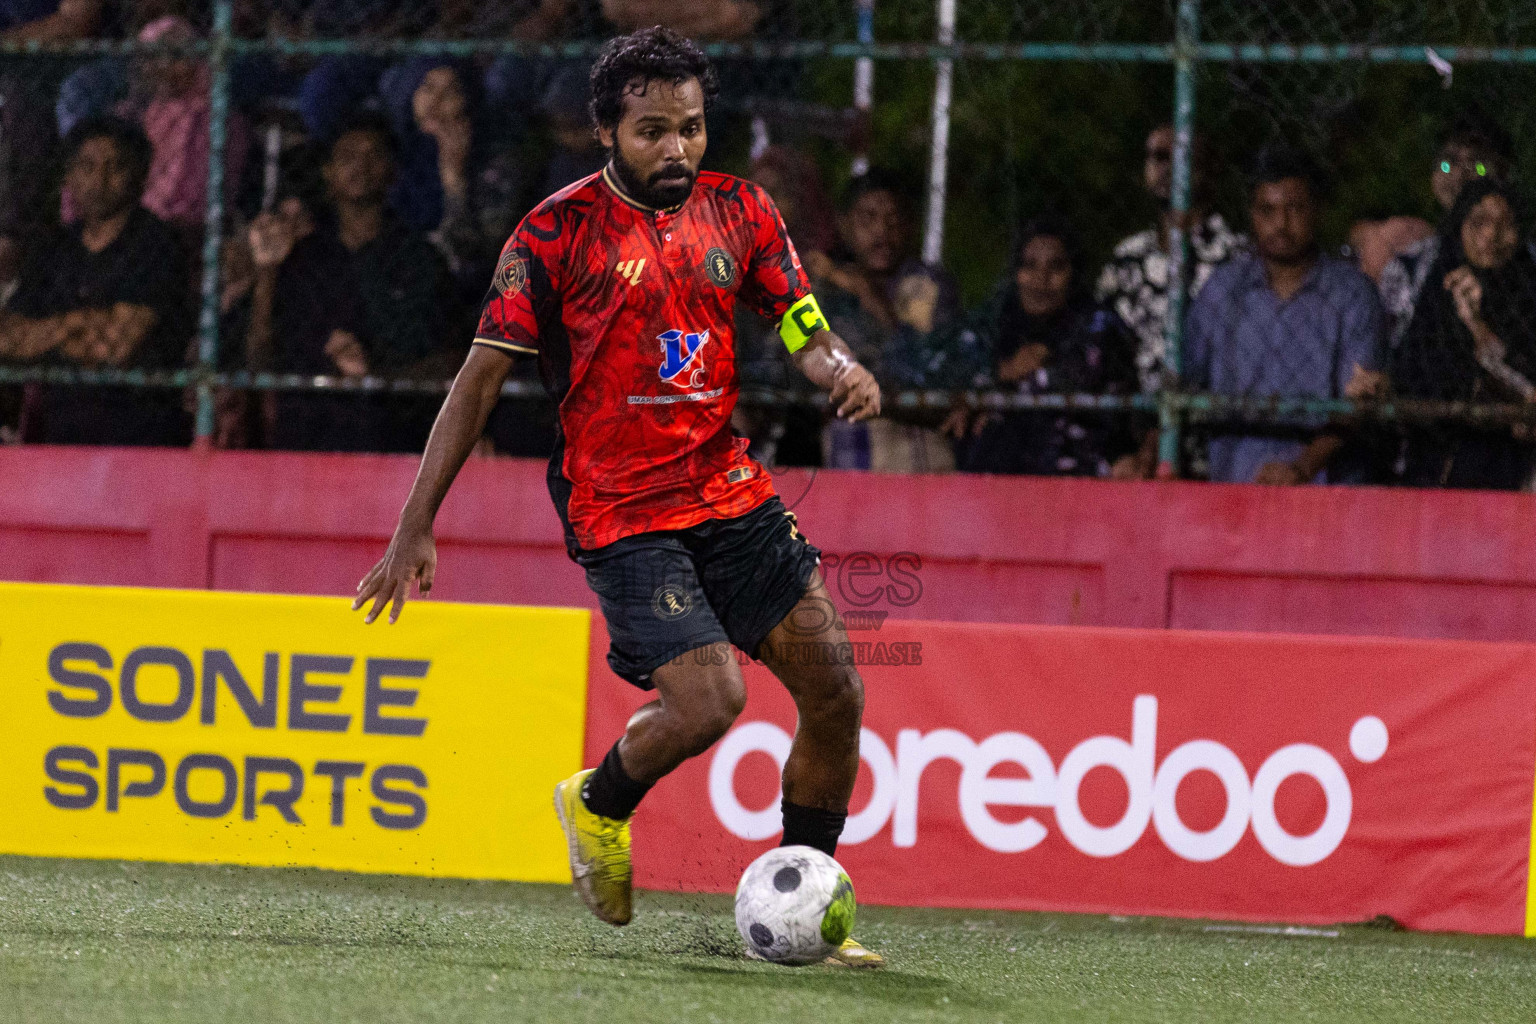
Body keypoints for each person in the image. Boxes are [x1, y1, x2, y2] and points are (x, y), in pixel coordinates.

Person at [351, 28, 884, 967]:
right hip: (623, 508)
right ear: (606, 133)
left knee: (835, 690)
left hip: (730, 492)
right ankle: (599, 801)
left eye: (690, 128)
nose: (676, 148)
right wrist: (413, 528)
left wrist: (838, 367)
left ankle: (806, 903)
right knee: (711, 700)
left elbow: (806, 326)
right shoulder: (553, 235)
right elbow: (476, 383)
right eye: (651, 131)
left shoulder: (744, 212)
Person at [243, 113, 455, 452]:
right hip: (305, 433)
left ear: (392, 171)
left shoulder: (420, 258)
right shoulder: (300, 257)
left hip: (394, 435)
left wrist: (376, 377)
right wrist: (267, 270)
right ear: (328, 171)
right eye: (347, 156)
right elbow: (259, 357)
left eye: (373, 155)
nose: (361, 165)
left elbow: (450, 359)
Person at [1184, 146, 1383, 485]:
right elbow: (1183, 381)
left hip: (1326, 491)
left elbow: (1360, 401)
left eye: (1295, 209)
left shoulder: (1352, 294)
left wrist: (1303, 468)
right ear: (1251, 214)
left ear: (1316, 210)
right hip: (1234, 483)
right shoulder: (1223, 290)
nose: (1281, 224)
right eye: (1267, 210)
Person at [0, 115, 192, 445]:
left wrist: (46, 334)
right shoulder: (55, 248)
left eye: (115, 167)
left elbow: (116, 348)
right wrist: (78, 324)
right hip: (61, 431)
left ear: (140, 176)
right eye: (86, 166)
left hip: (142, 433)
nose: (99, 180)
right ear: (69, 176)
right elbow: (7, 339)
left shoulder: (156, 244)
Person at [1095, 123, 1244, 479]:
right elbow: (1106, 353)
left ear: (1208, 169)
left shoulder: (1237, 259)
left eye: (1181, 158)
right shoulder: (1128, 260)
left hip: (1216, 439)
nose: (1166, 168)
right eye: (1157, 157)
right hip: (1137, 443)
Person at [810, 170, 973, 472]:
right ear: (845, 226)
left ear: (909, 226)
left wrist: (869, 297)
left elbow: (922, 370)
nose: (881, 232)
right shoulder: (827, 289)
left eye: (893, 220)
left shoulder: (927, 285)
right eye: (867, 219)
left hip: (921, 449)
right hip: (849, 445)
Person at [959, 216, 1138, 477]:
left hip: (1077, 465)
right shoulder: (999, 322)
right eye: (1029, 266)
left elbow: (1078, 381)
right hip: (1000, 472)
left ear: (1073, 275)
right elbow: (954, 368)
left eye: (1056, 267)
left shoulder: (1098, 325)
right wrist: (1001, 372)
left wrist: (1001, 388)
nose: (1041, 279)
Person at [1390, 179, 1536, 489]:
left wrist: (1477, 326)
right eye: (1479, 221)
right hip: (1431, 471)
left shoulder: (1527, 297)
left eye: (1506, 223)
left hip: (1510, 474)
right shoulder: (1438, 290)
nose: (1491, 235)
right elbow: (1410, 375)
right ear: (1459, 226)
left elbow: (1527, 391)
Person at [1379, 117, 1515, 348]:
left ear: (1501, 174)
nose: (1459, 177)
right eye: (1447, 164)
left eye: (1477, 165)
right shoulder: (1408, 265)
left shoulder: (1525, 262)